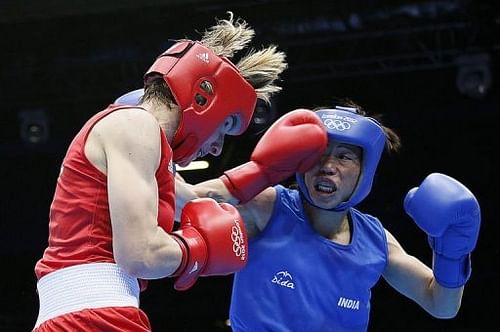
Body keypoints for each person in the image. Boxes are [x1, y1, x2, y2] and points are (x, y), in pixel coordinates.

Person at [33, 12, 288, 331]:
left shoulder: (141, 145)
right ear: (204, 100)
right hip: (93, 318)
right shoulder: (135, 125)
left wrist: (266, 171)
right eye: (223, 129)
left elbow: (196, 200)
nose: (217, 148)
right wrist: (198, 247)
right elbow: (141, 254)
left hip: (86, 316)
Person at [177, 101, 481, 331]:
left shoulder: (375, 241)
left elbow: (442, 305)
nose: (327, 165)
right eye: (319, 153)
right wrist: (257, 173)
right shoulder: (268, 207)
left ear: (365, 171)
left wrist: (453, 251)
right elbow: (186, 202)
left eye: (344, 156)